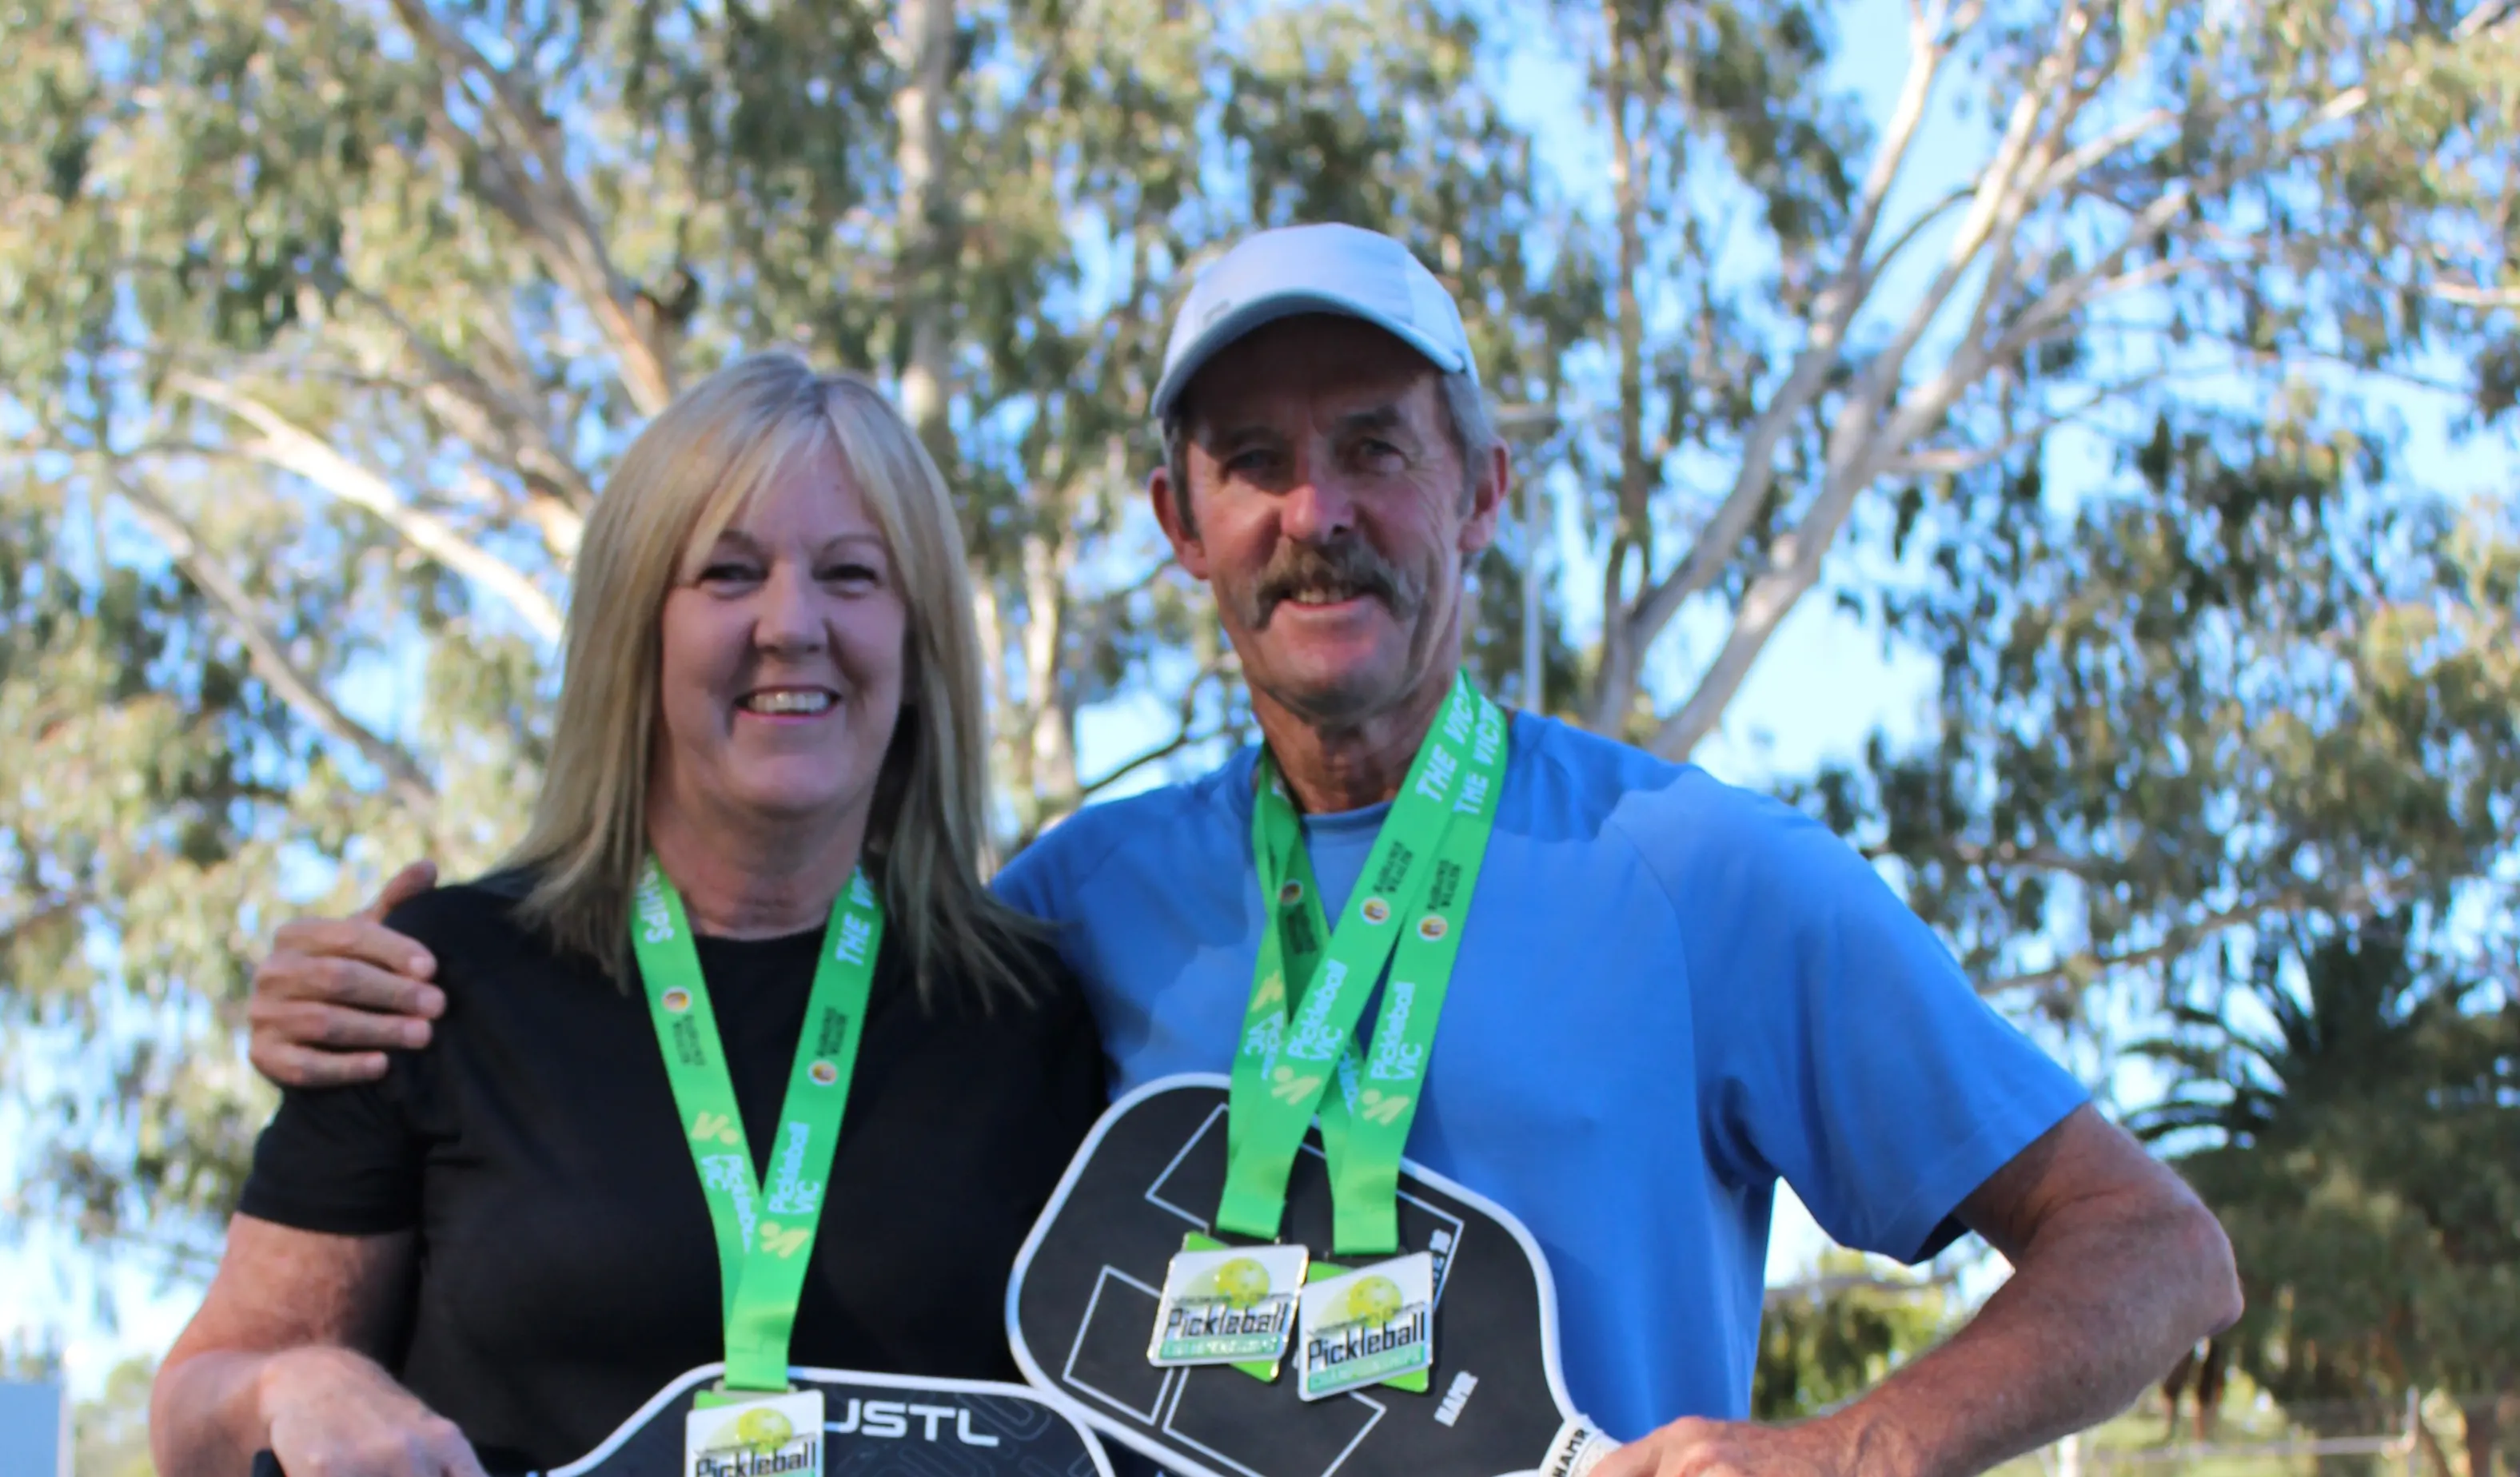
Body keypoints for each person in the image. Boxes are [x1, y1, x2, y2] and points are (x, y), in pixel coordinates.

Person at [242, 225, 2242, 1477]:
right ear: (1175, 523)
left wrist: (1857, 1452)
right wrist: (388, 982)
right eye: (1255, 463)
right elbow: (752, 1032)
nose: (1320, 508)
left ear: (1484, 489)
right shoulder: (1063, 920)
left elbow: (2157, 1248)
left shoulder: (1700, 874)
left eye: (1376, 442)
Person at [151, 353, 1108, 1477]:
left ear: (918, 645)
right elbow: (197, 1413)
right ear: (635, 634)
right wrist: (299, 1379)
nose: (792, 622)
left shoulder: (1024, 1010)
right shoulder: (432, 985)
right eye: (728, 573)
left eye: (852, 575)